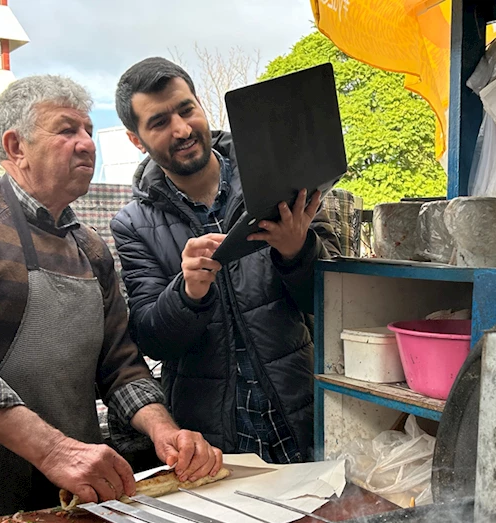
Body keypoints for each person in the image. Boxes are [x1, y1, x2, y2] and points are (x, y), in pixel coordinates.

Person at [0, 75, 222, 523]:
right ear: (16, 146)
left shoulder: (90, 248)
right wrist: (54, 450)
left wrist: (165, 431)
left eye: (89, 131)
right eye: (67, 130)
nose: (87, 144)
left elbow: (122, 368)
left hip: (71, 494)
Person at [111, 57, 341, 464]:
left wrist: (297, 251)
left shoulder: (279, 178)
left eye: (186, 110)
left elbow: (334, 305)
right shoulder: (133, 224)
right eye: (160, 122)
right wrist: (187, 294)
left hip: (300, 418)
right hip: (211, 441)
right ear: (136, 139)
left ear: (201, 105)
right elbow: (151, 339)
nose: (182, 130)